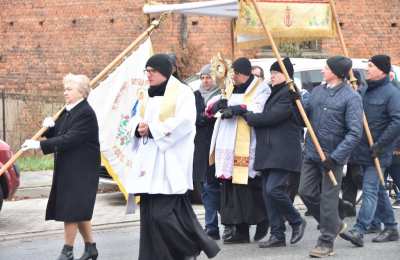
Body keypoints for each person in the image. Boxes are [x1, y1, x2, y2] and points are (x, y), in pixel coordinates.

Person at [126, 53, 220, 260]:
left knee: (162, 216)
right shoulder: (145, 93)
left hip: (170, 163)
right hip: (148, 163)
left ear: (165, 72)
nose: (148, 75)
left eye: (152, 71)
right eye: (147, 71)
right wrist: (137, 128)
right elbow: (133, 117)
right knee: (150, 218)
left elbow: (185, 123)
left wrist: (153, 130)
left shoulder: (182, 93)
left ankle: (189, 249)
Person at [21, 73, 101, 260]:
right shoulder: (68, 111)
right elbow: (60, 133)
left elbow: (70, 139)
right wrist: (49, 128)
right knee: (78, 209)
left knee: (71, 210)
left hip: (82, 170)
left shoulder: (86, 113)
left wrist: (39, 144)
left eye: (69, 89)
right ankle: (91, 248)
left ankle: (67, 251)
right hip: (70, 168)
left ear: (81, 92)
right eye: (64, 89)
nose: (65, 92)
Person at [294, 56, 363, 257]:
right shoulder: (317, 92)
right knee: (305, 192)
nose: (323, 70)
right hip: (312, 153)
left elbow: (355, 133)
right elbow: (303, 119)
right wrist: (295, 103)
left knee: (328, 199)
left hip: (332, 158)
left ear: (336, 72)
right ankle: (334, 223)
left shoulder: (351, 97)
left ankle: (326, 242)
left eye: (326, 67)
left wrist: (335, 157)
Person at [243, 57, 306, 248]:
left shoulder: (289, 93)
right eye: (271, 73)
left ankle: (296, 220)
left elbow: (272, 117)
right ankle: (277, 235)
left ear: (286, 75)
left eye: (276, 73)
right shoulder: (274, 92)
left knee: (274, 189)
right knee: (267, 194)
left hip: (283, 151)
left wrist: (249, 116)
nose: (272, 77)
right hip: (268, 152)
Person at [207, 57, 270, 244]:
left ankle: (261, 220)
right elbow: (215, 103)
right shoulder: (229, 85)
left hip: (246, 141)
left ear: (245, 74)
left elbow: (259, 107)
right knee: (230, 187)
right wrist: (217, 106)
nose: (233, 78)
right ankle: (238, 230)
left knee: (248, 185)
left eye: (236, 74)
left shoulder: (261, 87)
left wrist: (237, 109)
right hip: (226, 142)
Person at [340, 54, 400, 247]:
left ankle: (359, 229)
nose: (367, 69)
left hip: (379, 151)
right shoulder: (365, 90)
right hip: (363, 151)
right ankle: (391, 226)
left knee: (370, 189)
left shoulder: (392, 93)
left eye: (371, 66)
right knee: (379, 189)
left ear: (382, 70)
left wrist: (381, 144)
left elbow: (397, 121)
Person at [193, 64, 221, 240]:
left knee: (215, 187)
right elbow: (193, 118)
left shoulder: (221, 95)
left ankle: (218, 225)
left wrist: (205, 117)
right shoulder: (194, 96)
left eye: (208, 77)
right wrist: (205, 116)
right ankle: (211, 225)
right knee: (204, 187)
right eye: (203, 77)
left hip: (217, 146)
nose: (205, 80)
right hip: (200, 147)